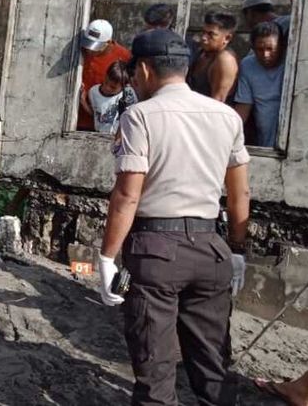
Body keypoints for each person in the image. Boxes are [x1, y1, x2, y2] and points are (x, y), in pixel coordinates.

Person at [99, 29, 250, 405]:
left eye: (135, 73)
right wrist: (236, 249)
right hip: (211, 248)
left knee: (155, 364)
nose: (134, 79)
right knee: (213, 361)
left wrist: (105, 258)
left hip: (156, 251)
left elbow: (127, 195)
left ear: (146, 70)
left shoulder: (140, 116)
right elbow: (239, 193)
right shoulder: (226, 117)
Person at [234, 21, 284, 148]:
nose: (265, 55)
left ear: (281, 46)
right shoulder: (248, 65)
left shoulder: (292, 63)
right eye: (260, 50)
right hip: (266, 142)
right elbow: (244, 106)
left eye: (270, 49)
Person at [79, 19, 132, 130]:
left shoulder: (124, 57)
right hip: (77, 119)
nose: (89, 50)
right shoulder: (79, 51)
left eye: (95, 46)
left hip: (107, 126)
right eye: (88, 43)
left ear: (108, 42)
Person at [187, 12, 239, 102]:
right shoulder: (201, 53)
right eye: (203, 32)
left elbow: (218, 102)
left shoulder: (225, 60)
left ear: (227, 38)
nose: (204, 37)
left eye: (211, 34)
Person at [82, 60, 137, 134]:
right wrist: (83, 102)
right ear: (105, 76)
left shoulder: (128, 94)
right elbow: (96, 114)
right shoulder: (93, 92)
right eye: (106, 82)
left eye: (113, 87)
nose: (107, 88)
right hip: (99, 136)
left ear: (124, 87)